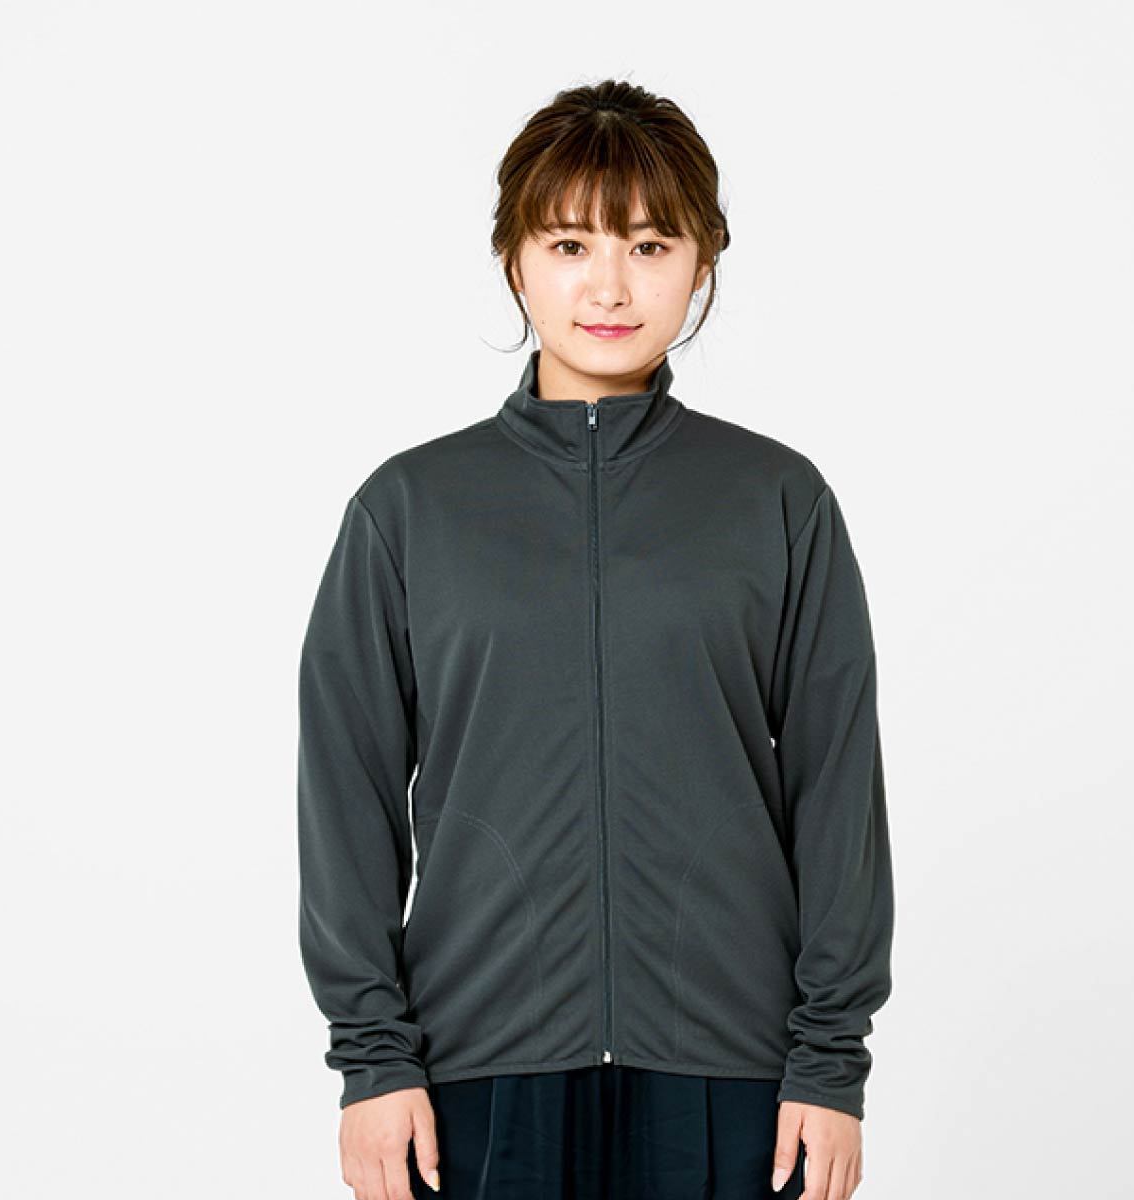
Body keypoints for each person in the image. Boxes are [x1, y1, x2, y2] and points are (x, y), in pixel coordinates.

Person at [297, 78, 895, 1200]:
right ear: (515, 261)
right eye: (570, 243)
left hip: (733, 1075)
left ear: (702, 264)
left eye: (650, 245)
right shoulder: (409, 510)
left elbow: (837, 790)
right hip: (477, 1075)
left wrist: (830, 1063)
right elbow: (347, 793)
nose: (610, 286)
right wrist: (373, 1061)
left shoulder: (778, 501)